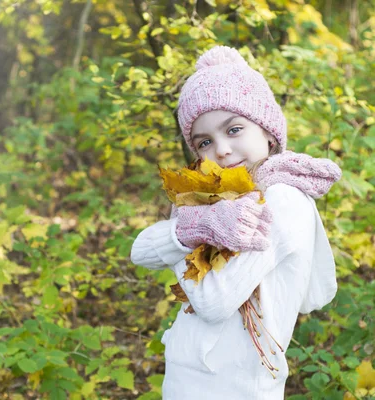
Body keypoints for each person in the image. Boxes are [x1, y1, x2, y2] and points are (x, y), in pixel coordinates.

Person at [130, 46, 342, 399]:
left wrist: (182, 234)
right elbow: (139, 251)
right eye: (205, 141)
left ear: (269, 133)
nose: (222, 150)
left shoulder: (282, 200)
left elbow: (214, 303)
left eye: (235, 129)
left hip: (234, 386)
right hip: (191, 379)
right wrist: (188, 230)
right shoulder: (220, 202)